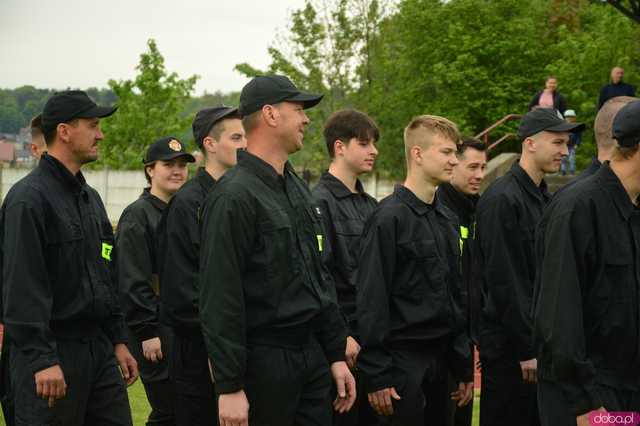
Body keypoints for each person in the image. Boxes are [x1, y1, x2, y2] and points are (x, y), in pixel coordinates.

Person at [199, 75, 356, 426]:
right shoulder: (233, 196)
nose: (307, 119)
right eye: (298, 109)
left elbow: (318, 274)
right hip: (264, 362)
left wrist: (334, 353)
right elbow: (220, 295)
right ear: (270, 114)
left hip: (309, 356)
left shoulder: (296, 189)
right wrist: (230, 386)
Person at [0, 90, 138, 425]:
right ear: (64, 131)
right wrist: (41, 357)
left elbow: (106, 274)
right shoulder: (28, 200)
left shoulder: (90, 199)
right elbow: (21, 287)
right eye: (92, 125)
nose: (100, 134)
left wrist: (118, 339)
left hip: (98, 350)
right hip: (50, 355)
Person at [357, 115, 474, 426]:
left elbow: (456, 295)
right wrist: (378, 375)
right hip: (402, 364)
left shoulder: (447, 220)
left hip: (444, 361)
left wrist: (462, 366)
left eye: (455, 152)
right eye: (446, 152)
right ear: (417, 154)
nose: (454, 160)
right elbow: (372, 300)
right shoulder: (388, 219)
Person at [534, 100, 640, 426]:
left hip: (627, 390)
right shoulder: (577, 208)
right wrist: (586, 404)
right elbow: (557, 317)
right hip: (592, 401)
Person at [476, 108, 584, 426]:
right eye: (557, 142)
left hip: (538, 350)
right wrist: (526, 348)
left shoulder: (543, 197)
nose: (565, 151)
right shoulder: (501, 199)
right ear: (530, 143)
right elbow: (505, 280)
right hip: (513, 354)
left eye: (567, 143)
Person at [157, 106, 245, 426]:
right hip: (199, 353)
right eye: (236, 137)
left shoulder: (241, 196)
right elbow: (180, 292)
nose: (244, 144)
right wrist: (219, 347)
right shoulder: (188, 205)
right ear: (210, 144)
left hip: (239, 349)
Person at [116, 137, 195, 426]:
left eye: (182, 165)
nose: (177, 171)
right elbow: (132, 279)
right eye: (168, 165)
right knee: (168, 409)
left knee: (184, 409)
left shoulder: (183, 210)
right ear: (150, 170)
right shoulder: (139, 215)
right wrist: (147, 330)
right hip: (155, 328)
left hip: (181, 325)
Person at [311, 109, 380, 426]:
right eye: (364, 143)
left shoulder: (372, 206)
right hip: (342, 346)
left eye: (374, 144)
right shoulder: (318, 203)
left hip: (374, 344)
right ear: (339, 147)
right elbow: (319, 277)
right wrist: (340, 337)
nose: (374, 151)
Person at [434, 137, 488, 426]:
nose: (479, 175)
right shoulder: (440, 213)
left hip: (465, 348)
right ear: (453, 165)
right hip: (441, 353)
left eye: (483, 167)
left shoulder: (476, 211)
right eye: (472, 167)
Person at [560, 110, 582, 176]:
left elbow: (579, 137)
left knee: (571, 159)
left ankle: (571, 172)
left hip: (572, 146)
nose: (569, 118)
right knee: (563, 159)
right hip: (564, 146)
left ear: (574, 118)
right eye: (567, 117)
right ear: (565, 118)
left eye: (571, 117)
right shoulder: (563, 126)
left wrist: (577, 144)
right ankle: (563, 172)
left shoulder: (576, 127)